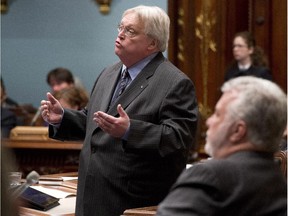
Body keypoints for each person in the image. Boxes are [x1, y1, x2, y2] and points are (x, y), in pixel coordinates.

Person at [40, 5, 198, 216]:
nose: (120, 34)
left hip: (131, 203)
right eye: (120, 27)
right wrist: (62, 119)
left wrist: (130, 131)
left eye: (130, 31)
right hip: (91, 198)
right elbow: (95, 122)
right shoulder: (109, 73)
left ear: (152, 43)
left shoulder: (174, 82)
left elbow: (179, 140)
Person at [156, 76, 287, 216]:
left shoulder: (210, 176)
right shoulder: (276, 179)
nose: (209, 122)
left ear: (238, 131)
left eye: (218, 114)